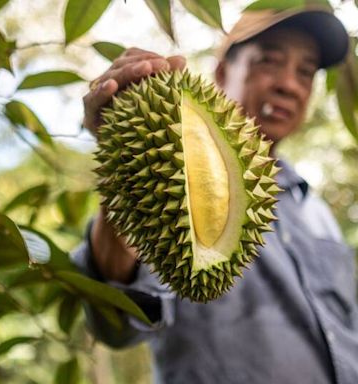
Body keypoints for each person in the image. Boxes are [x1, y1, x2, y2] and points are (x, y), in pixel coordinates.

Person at [72, 6, 358, 384]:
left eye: (305, 71)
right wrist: (124, 165)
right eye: (269, 60)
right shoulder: (168, 155)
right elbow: (118, 321)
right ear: (223, 72)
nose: (289, 84)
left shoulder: (315, 209)